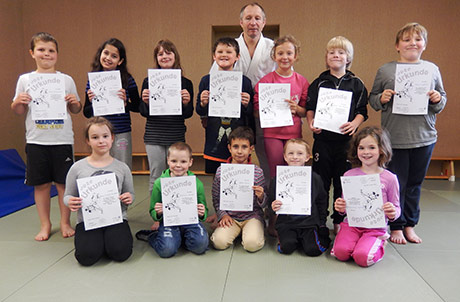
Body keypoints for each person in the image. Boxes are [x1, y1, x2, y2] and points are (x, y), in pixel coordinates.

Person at [369, 23, 447, 244]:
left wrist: (437, 99)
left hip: (424, 137)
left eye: (418, 39)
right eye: (406, 39)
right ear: (397, 45)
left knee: (414, 184)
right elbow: (373, 99)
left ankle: (410, 225)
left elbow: (442, 99)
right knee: (395, 184)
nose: (412, 43)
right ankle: (395, 226)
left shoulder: (432, 69)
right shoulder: (386, 70)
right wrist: (381, 98)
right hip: (394, 138)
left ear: (424, 44)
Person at [11, 32, 81, 241]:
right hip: (36, 140)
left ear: (57, 54)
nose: (46, 54)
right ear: (32, 53)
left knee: (63, 184)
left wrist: (73, 101)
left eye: (51, 51)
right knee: (40, 185)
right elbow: (19, 111)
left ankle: (65, 222)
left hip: (62, 140)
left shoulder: (65, 79)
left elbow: (76, 109)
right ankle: (45, 224)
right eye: (41, 50)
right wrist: (18, 102)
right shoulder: (25, 79)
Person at [306, 36, 368, 233]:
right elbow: (310, 108)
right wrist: (311, 123)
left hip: (346, 143)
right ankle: (320, 218)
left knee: (343, 181)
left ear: (348, 58)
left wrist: (354, 124)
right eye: (332, 52)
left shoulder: (357, 83)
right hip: (322, 142)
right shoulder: (318, 82)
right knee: (320, 181)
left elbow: (362, 111)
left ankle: (339, 220)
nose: (336, 55)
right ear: (326, 57)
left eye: (341, 52)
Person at [211, 2, 276, 182]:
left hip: (263, 111)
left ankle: (267, 199)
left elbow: (283, 77)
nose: (253, 22)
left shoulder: (273, 48)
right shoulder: (230, 46)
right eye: (248, 18)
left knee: (264, 154)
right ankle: (230, 200)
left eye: (257, 18)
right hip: (234, 112)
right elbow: (214, 80)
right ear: (241, 22)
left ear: (264, 22)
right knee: (235, 153)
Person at [64, 117, 134, 266]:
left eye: (105, 136)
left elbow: (131, 193)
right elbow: (67, 195)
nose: (101, 141)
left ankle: (107, 241)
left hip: (116, 218)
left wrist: (128, 197)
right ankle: (98, 242)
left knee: (121, 253)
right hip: (88, 221)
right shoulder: (77, 168)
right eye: (95, 137)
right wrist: (70, 201)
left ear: (112, 138)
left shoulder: (122, 167)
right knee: (86, 257)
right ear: (88, 141)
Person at [140, 39, 194, 231]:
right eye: (160, 54)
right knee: (156, 176)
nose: (164, 56)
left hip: (176, 135)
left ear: (175, 56)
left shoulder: (185, 82)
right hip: (154, 135)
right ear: (156, 58)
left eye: (168, 52)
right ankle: (158, 216)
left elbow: (189, 114)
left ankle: (179, 212)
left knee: (178, 175)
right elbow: (143, 112)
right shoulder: (148, 81)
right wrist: (145, 101)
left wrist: (187, 102)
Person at [332, 126, 400, 267]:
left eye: (371, 147)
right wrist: (340, 207)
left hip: (375, 227)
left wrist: (392, 212)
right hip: (352, 225)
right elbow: (345, 208)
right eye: (361, 148)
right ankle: (357, 242)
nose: (366, 152)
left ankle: (380, 241)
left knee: (362, 258)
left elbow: (397, 207)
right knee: (340, 253)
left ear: (381, 149)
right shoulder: (349, 175)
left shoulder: (389, 178)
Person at [138, 142, 209, 258]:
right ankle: (154, 236)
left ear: (190, 162)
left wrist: (202, 213)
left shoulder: (196, 183)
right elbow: (152, 210)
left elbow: (203, 208)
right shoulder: (159, 183)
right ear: (168, 160)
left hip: (190, 221)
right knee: (167, 250)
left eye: (183, 161)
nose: (178, 165)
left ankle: (178, 238)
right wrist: (158, 212)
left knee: (200, 246)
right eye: (174, 161)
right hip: (169, 221)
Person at [197, 37, 254, 174]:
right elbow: (199, 111)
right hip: (213, 136)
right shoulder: (206, 80)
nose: (224, 55)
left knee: (238, 174)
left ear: (237, 56)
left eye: (229, 52)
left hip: (238, 138)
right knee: (216, 177)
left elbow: (251, 112)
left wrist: (247, 104)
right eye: (220, 51)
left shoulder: (244, 82)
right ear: (214, 56)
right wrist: (203, 103)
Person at [254, 35, 308, 178]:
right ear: (274, 56)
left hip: (294, 133)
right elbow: (256, 111)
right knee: (276, 170)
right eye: (280, 53)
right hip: (272, 133)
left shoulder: (301, 81)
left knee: (294, 170)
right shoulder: (265, 81)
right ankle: (274, 200)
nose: (285, 57)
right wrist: (267, 109)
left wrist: (296, 109)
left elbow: (305, 111)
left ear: (295, 56)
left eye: (289, 53)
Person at [83, 38, 140, 169]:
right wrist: (91, 102)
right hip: (100, 132)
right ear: (100, 54)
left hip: (121, 131)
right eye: (106, 53)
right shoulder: (93, 79)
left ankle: (124, 190)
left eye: (114, 56)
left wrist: (126, 103)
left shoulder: (127, 79)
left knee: (123, 167)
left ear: (120, 61)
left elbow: (138, 107)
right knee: (102, 167)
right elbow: (86, 112)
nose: (108, 58)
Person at [210, 126, 267, 252]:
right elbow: (216, 197)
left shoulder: (257, 172)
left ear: (251, 149)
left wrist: (261, 196)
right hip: (230, 217)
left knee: (252, 245)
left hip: (252, 216)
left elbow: (265, 201)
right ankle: (236, 232)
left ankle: (252, 231)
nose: (240, 151)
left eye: (244, 147)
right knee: (219, 243)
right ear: (229, 148)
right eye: (235, 147)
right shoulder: (221, 172)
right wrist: (222, 215)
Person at [270, 139, 331, 256]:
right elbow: (271, 201)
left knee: (313, 250)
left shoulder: (315, 178)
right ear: (285, 157)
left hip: (309, 223)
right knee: (287, 248)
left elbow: (322, 201)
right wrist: (273, 207)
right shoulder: (278, 178)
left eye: (300, 153)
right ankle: (295, 240)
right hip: (286, 223)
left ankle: (311, 239)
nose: (295, 157)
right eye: (290, 153)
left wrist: (322, 223)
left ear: (308, 157)